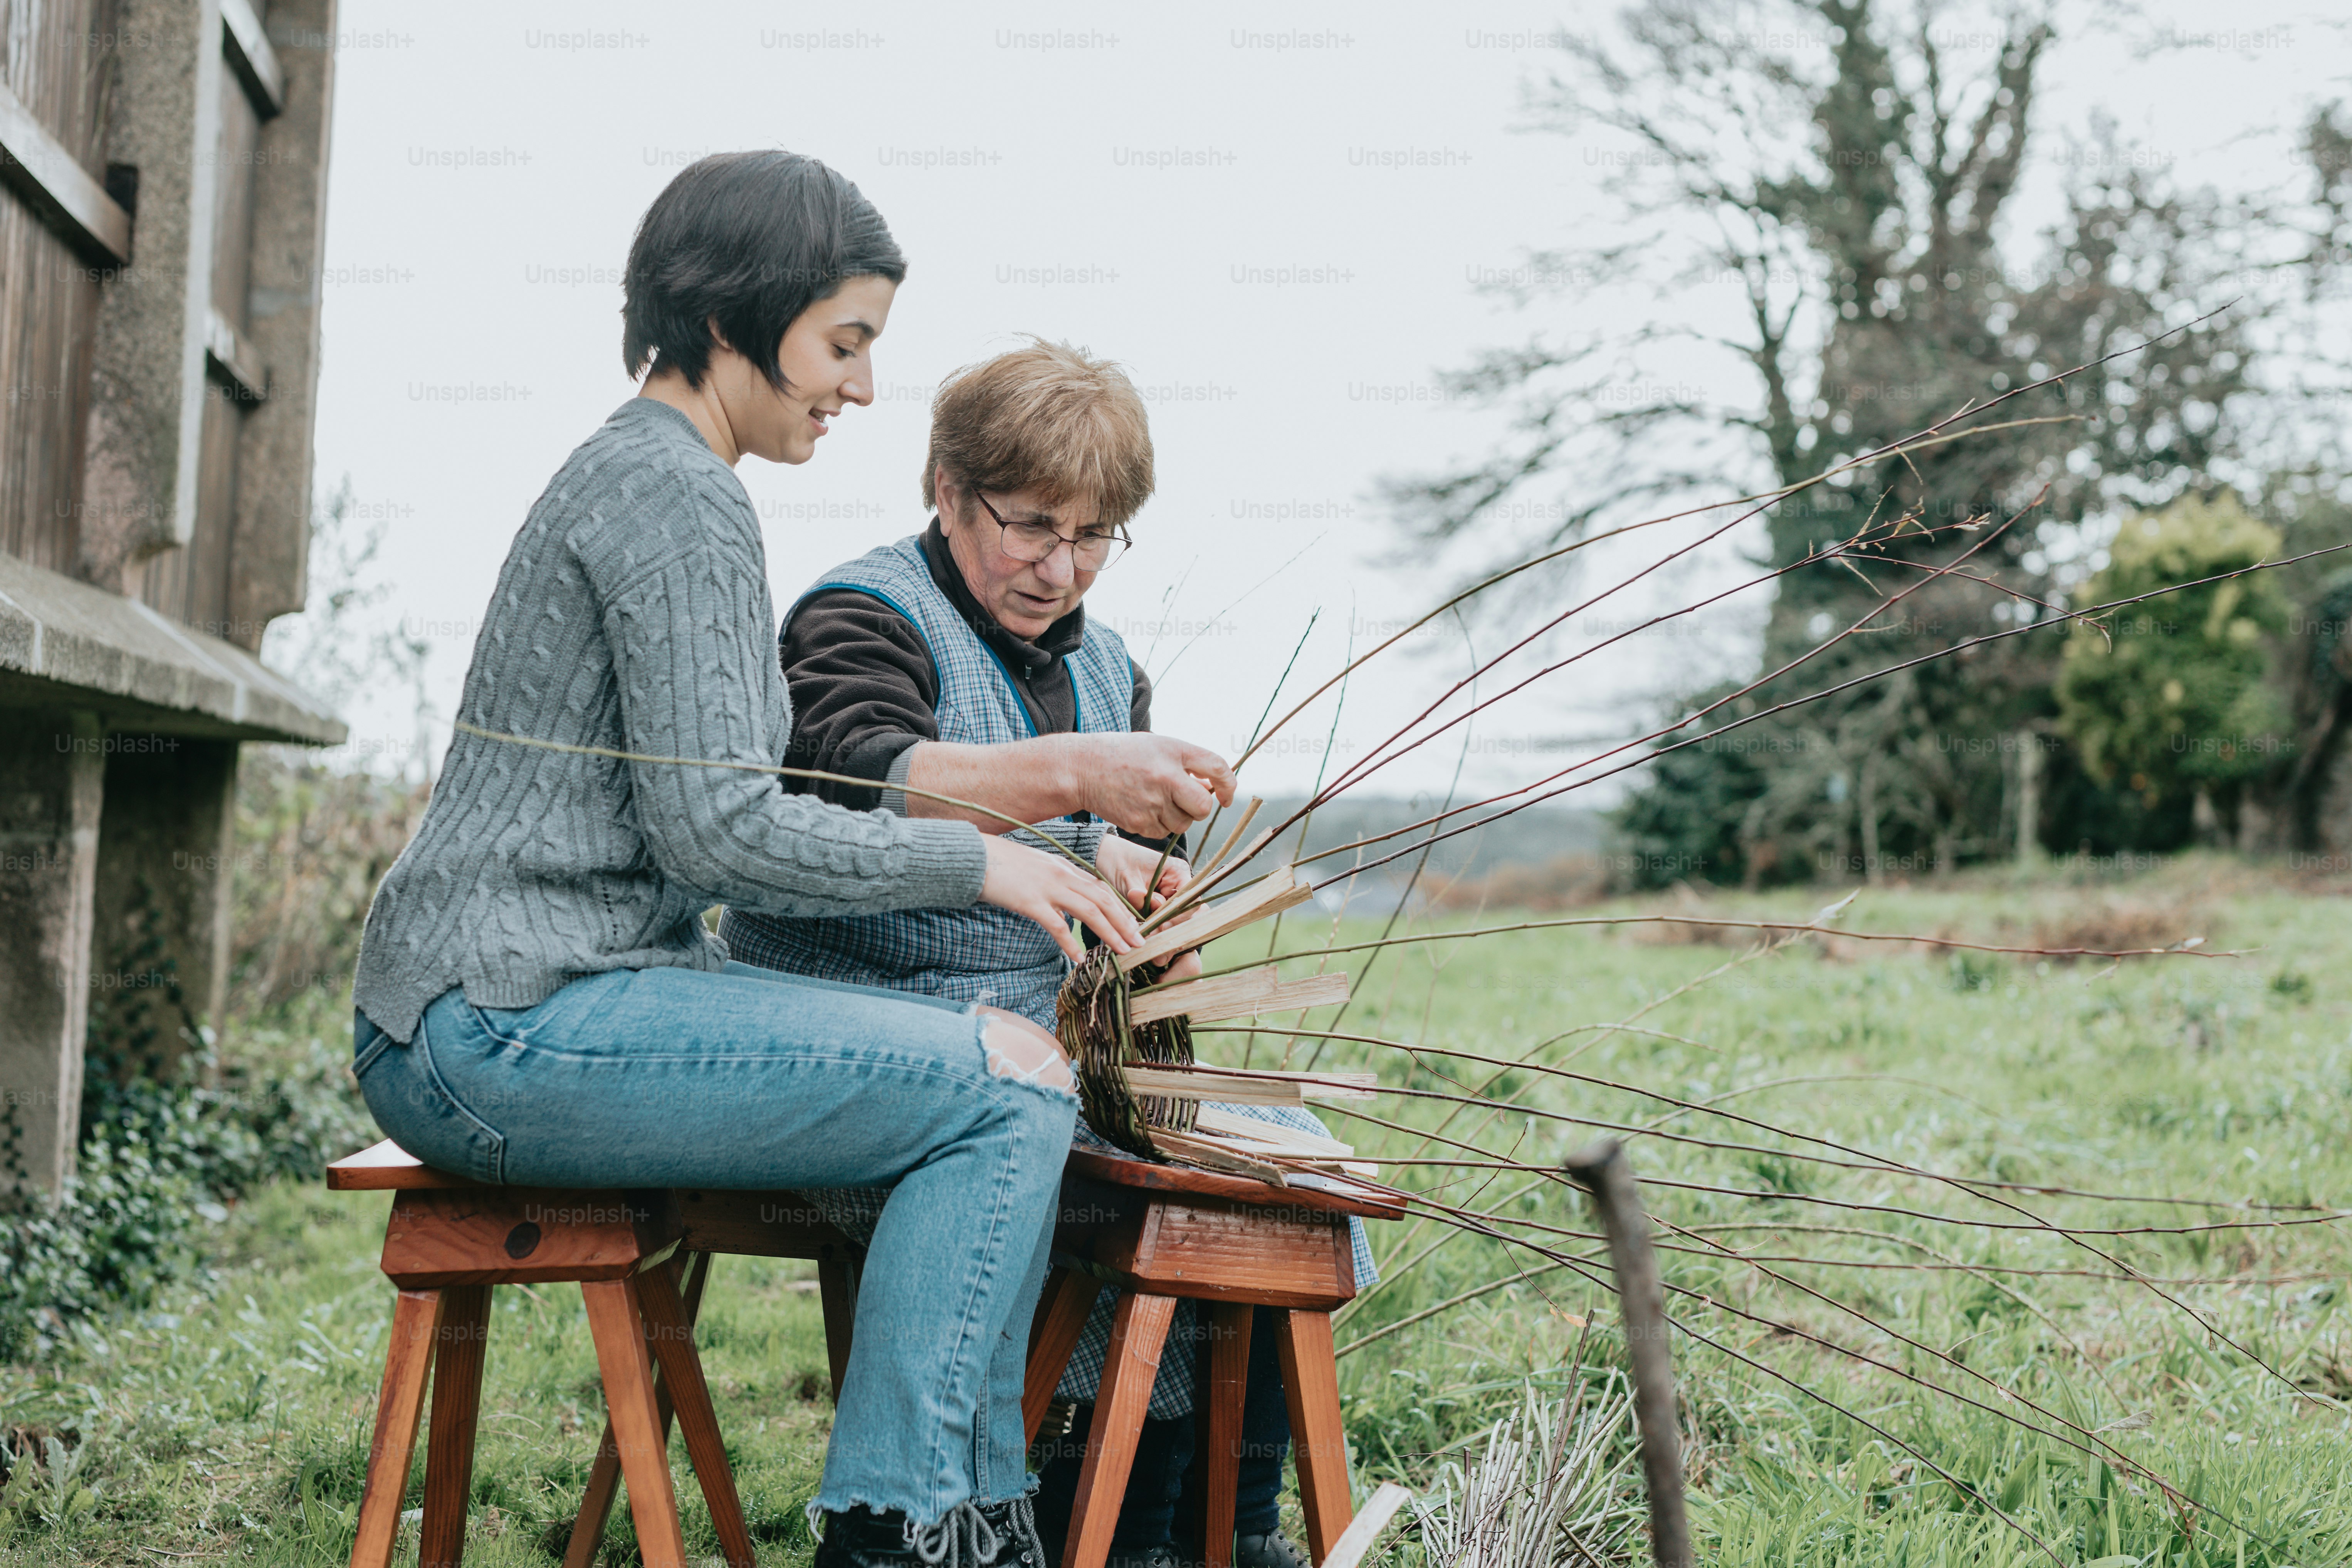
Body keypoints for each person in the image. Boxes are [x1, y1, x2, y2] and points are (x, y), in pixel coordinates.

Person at [347, 153, 1138, 1568]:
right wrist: (984, 867)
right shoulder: (679, 495)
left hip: (518, 1005)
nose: (863, 386)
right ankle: (907, 1534)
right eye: (846, 343)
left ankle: (949, 1525)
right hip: (505, 1024)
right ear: (736, 320)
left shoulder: (652, 472)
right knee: (1005, 1087)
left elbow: (695, 825)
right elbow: (725, 837)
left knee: (1002, 1078)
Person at [720, 341, 1370, 1568]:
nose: (1059, 569)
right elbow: (844, 776)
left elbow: (1101, 877)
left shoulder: (1105, 664)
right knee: (1111, 1188)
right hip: (868, 1033)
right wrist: (1077, 788)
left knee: (1286, 1164)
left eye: (1095, 536)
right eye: (1030, 527)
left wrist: (1156, 924)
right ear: (948, 490)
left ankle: (1219, 1526)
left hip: (1053, 1040)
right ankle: (1104, 1522)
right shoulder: (862, 616)